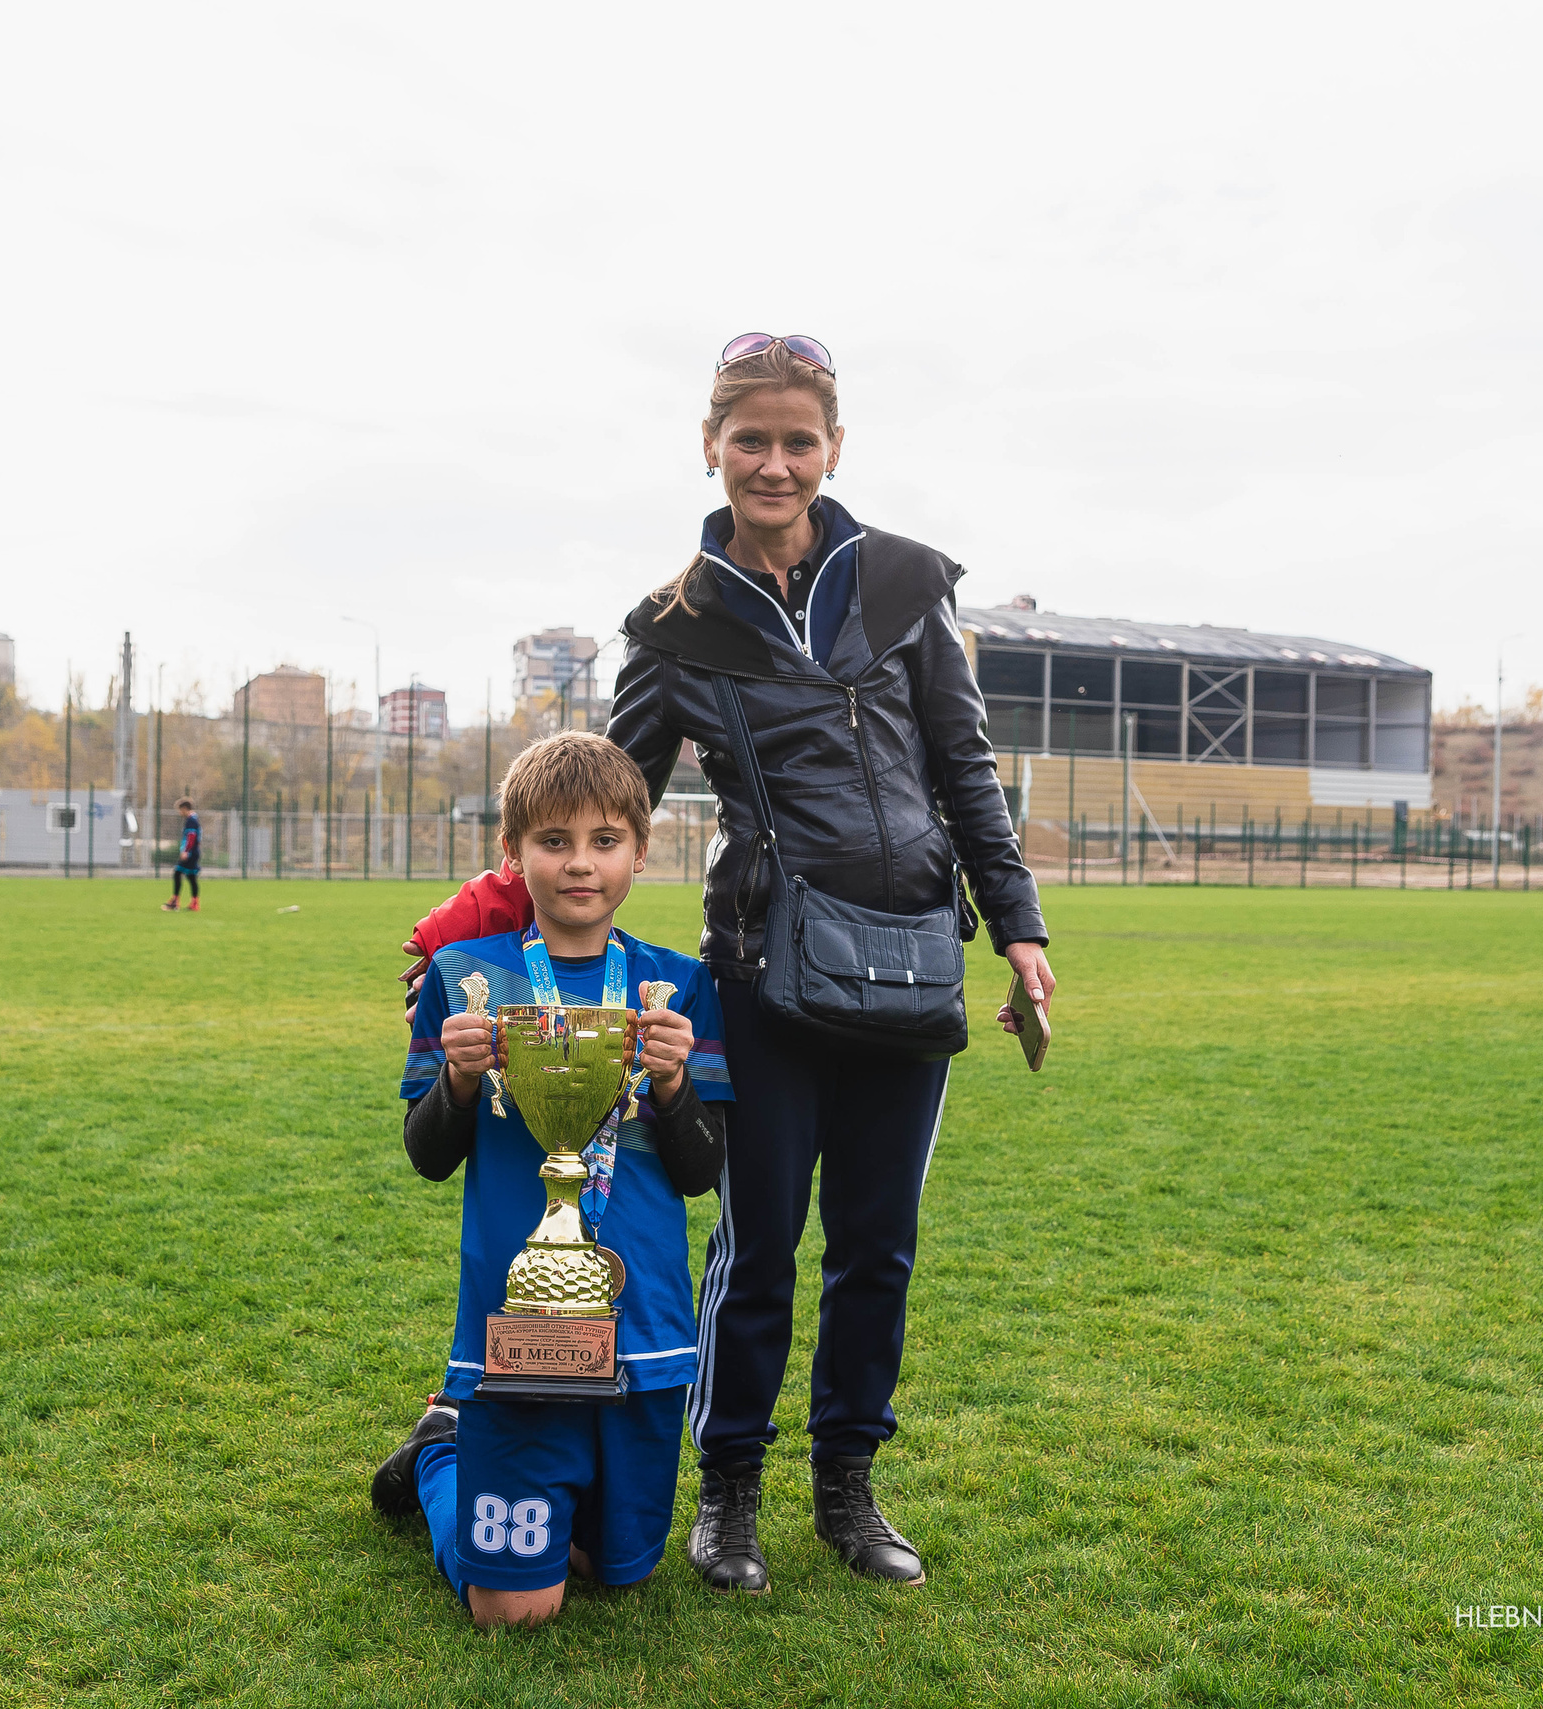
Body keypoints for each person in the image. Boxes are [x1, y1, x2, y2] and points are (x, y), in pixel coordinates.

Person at [400, 335, 1054, 1593]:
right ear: (711, 447)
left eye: (796, 439)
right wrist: (462, 924)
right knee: (757, 1243)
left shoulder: (911, 585)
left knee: (881, 1243)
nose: (773, 461)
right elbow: (602, 797)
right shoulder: (679, 624)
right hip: (763, 971)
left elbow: (966, 769)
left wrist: (1015, 922)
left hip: (913, 963)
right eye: (748, 438)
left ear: (834, 450)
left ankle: (849, 1486)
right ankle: (732, 1493)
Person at [370, 731, 731, 1628]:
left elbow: (701, 1171)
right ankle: (440, 1457)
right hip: (513, 1336)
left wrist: (677, 1085)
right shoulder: (464, 979)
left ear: (641, 852)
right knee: (516, 1608)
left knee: (621, 1572)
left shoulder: (679, 987)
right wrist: (455, 1082)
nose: (581, 864)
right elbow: (427, 1154)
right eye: (554, 841)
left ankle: (533, 1489)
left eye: (605, 841)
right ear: (513, 853)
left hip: (640, 1331)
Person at [162, 797, 201, 912]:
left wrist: (186, 851)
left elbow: (191, 836)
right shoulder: (194, 819)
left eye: (180, 810)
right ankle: (194, 903)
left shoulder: (191, 820)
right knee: (191, 877)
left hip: (190, 853)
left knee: (177, 873)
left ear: (185, 809)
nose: (180, 813)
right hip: (194, 852)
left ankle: (175, 901)